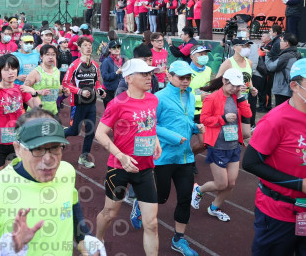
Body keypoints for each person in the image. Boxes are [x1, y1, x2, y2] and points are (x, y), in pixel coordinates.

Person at [0, 109, 106, 256]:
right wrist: (6, 248)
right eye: (37, 149)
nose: (49, 159)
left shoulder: (66, 172)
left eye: (55, 147)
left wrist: (84, 238)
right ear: (18, 149)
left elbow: (72, 204)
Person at [243, 58, 306, 255]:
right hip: (279, 212)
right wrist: (300, 184)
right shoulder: (275, 120)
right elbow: (250, 163)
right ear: (295, 86)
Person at [95, 59, 160, 255]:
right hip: (119, 168)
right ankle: (97, 241)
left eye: (150, 73)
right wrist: (121, 156)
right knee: (109, 214)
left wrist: (156, 140)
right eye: (144, 74)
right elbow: (100, 133)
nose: (149, 77)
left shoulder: (153, 99)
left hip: (145, 168)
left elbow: (149, 124)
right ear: (129, 78)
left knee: (152, 223)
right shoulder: (117, 103)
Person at [154, 60, 205, 256]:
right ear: (169, 76)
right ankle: (139, 204)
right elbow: (152, 126)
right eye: (181, 77)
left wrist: (195, 127)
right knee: (161, 197)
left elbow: (187, 120)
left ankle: (178, 239)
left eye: (188, 77)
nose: (185, 81)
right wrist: (174, 137)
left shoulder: (190, 96)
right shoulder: (159, 97)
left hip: (185, 157)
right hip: (164, 156)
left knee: (184, 198)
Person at [191, 69, 252, 222]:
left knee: (231, 184)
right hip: (217, 146)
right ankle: (199, 190)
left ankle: (214, 208)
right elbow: (204, 119)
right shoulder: (212, 98)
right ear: (224, 81)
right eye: (232, 85)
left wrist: (241, 96)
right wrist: (222, 118)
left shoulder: (237, 97)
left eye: (238, 85)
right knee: (221, 184)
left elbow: (248, 115)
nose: (235, 88)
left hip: (234, 146)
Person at [0, 55, 41, 178]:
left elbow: (38, 109)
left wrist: (34, 92)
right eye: (6, 69)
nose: (11, 72)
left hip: (16, 142)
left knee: (12, 179)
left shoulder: (20, 89)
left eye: (13, 69)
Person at [63, 37, 106, 168]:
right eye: (85, 45)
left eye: (90, 45)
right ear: (79, 48)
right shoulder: (74, 65)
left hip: (91, 104)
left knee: (90, 131)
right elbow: (65, 83)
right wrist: (80, 91)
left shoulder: (95, 65)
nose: (88, 47)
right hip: (78, 104)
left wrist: (100, 90)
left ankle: (84, 157)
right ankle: (59, 134)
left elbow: (97, 82)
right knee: (74, 131)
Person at [24, 45, 65, 117]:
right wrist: (39, 92)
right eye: (47, 54)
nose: (51, 57)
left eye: (53, 54)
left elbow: (57, 92)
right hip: (36, 114)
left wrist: (63, 91)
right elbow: (24, 90)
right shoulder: (35, 72)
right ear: (41, 57)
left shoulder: (57, 71)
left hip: (53, 112)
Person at [264, 32, 300, 106]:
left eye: (281, 41)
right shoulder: (297, 55)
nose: (279, 43)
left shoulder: (285, 56)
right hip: (292, 89)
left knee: (281, 110)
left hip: (283, 90)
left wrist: (267, 55)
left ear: (286, 44)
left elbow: (271, 67)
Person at [189, 45, 213, 122]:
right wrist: (199, 97)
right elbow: (181, 94)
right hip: (190, 111)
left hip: (205, 110)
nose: (204, 56)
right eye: (201, 54)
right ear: (192, 57)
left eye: (205, 54)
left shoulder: (208, 70)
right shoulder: (187, 71)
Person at [100, 40, 124, 107]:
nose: (117, 49)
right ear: (109, 49)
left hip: (119, 90)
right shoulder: (106, 61)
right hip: (109, 91)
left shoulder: (123, 60)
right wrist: (116, 73)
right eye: (114, 48)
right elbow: (104, 76)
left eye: (118, 47)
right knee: (109, 111)